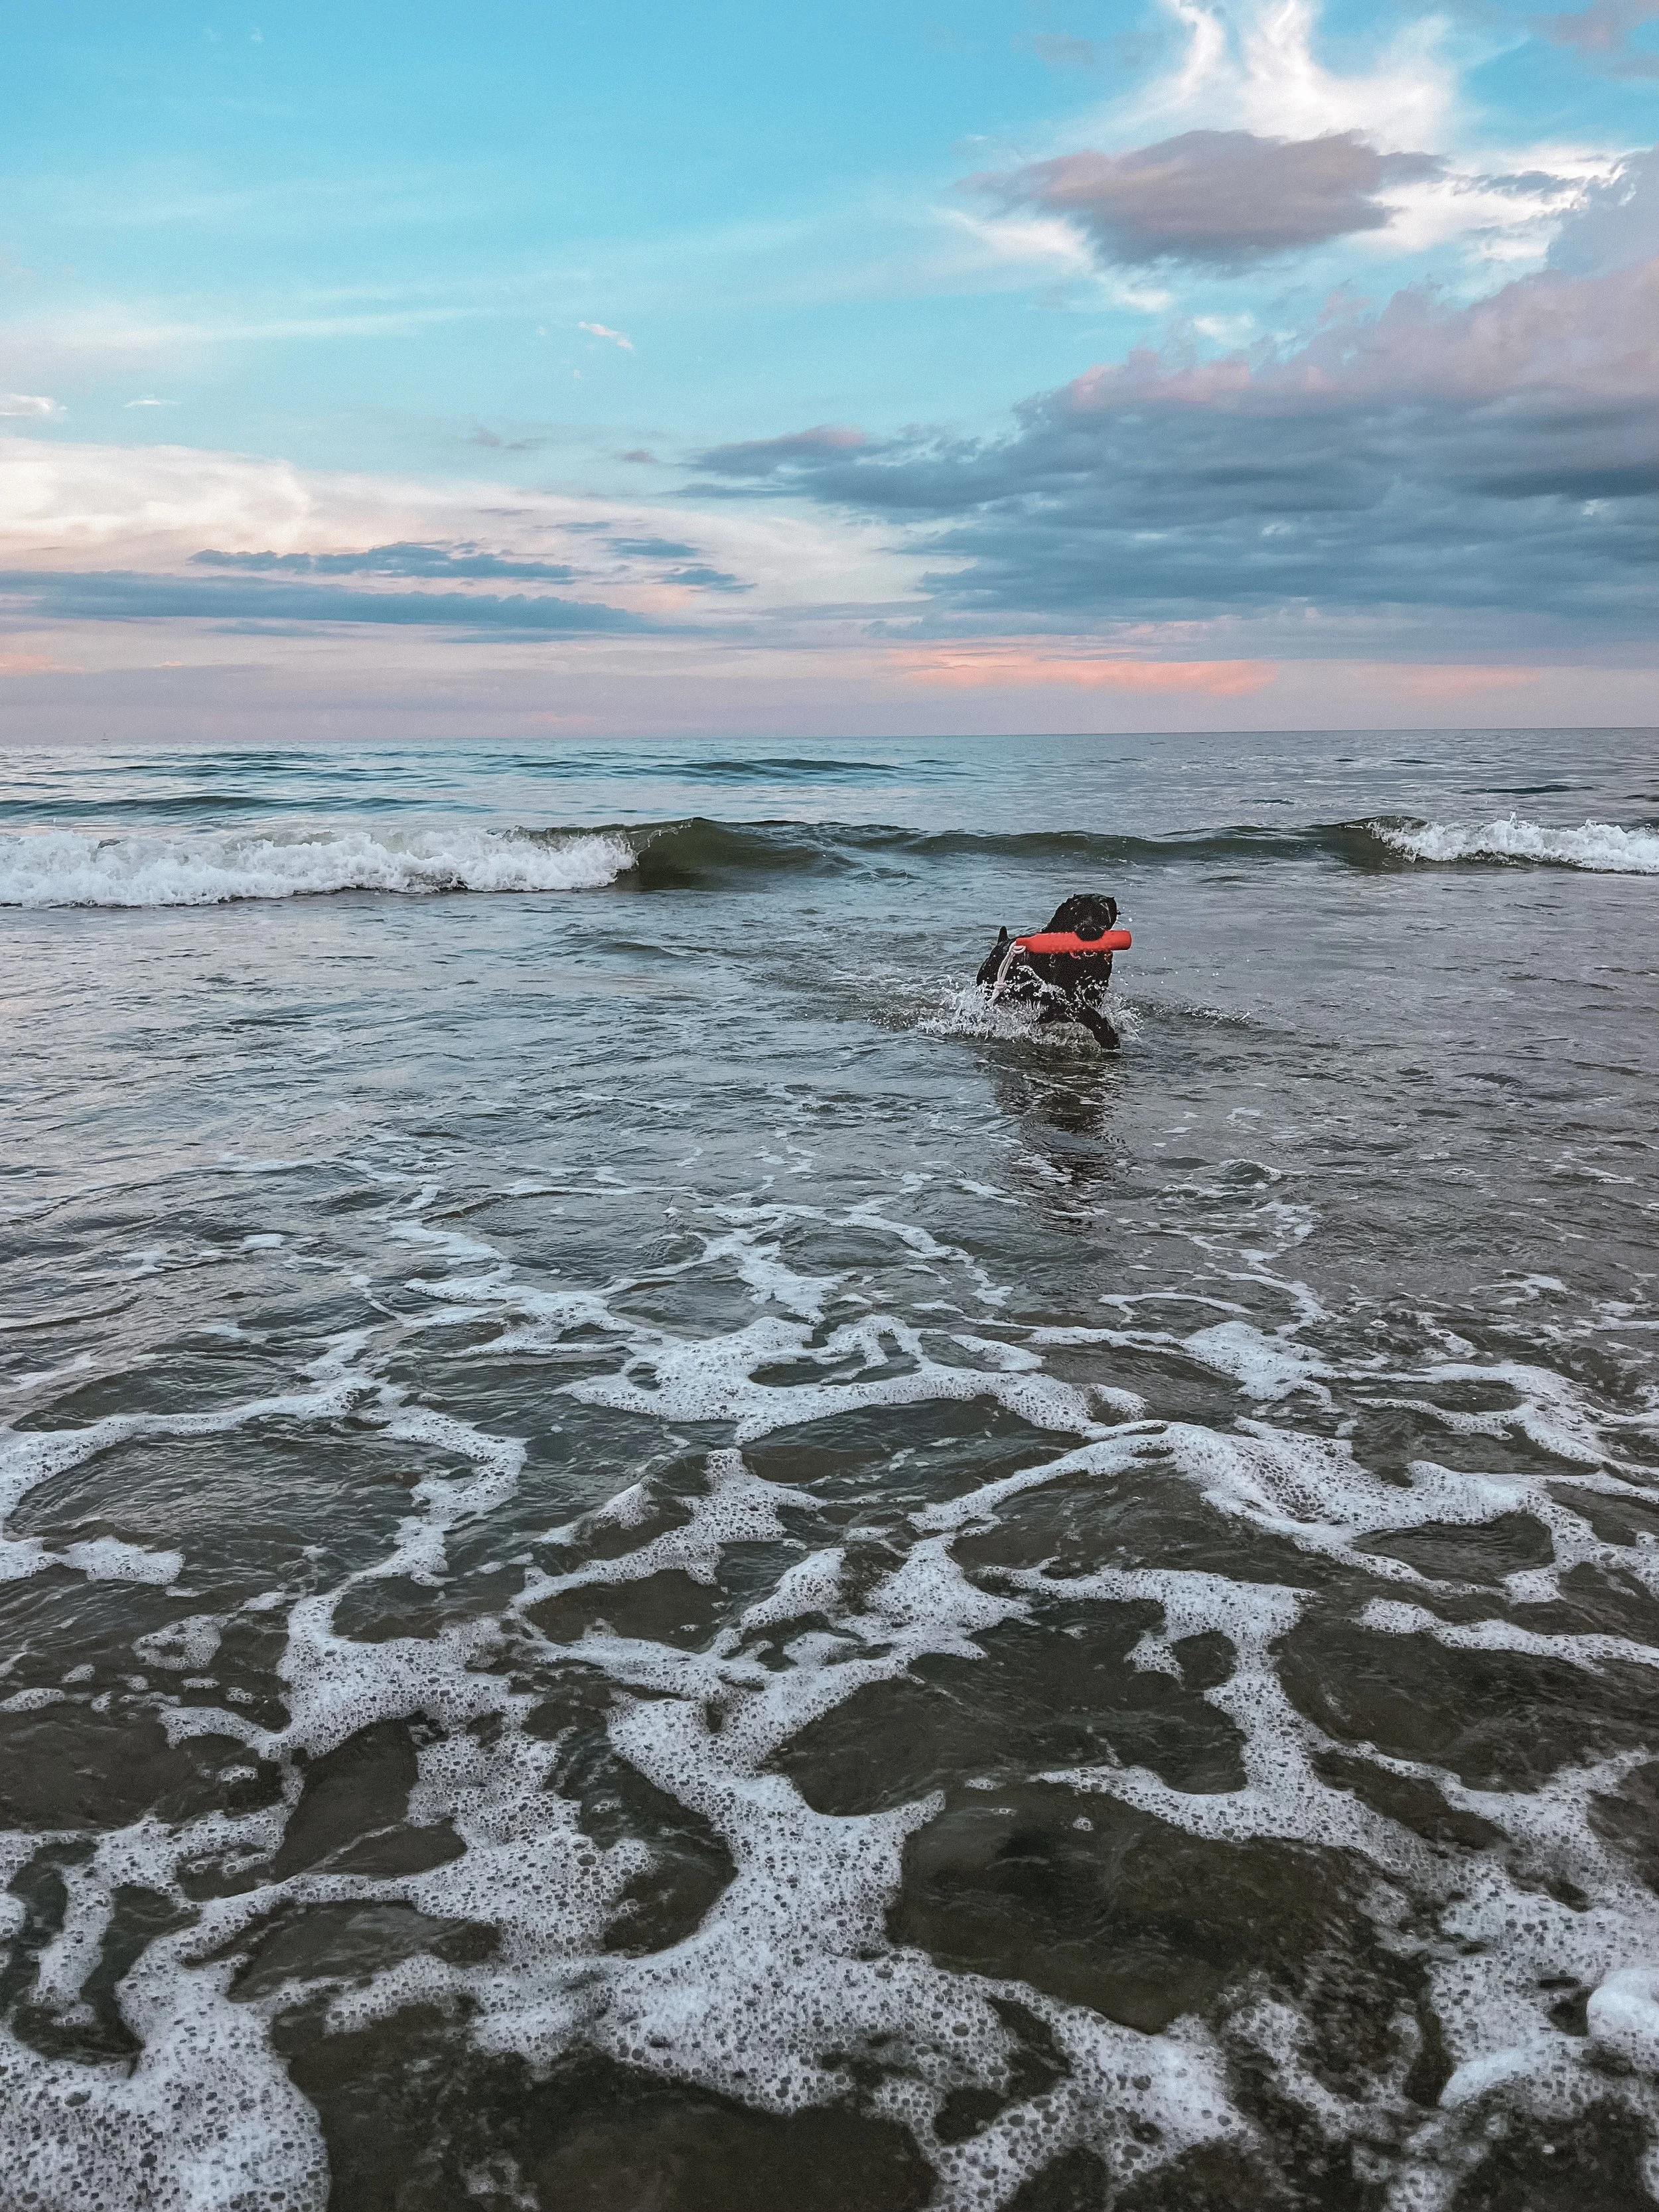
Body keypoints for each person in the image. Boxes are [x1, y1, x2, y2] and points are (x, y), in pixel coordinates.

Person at [976, 892, 1121, 1050]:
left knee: (1082, 1001)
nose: (1092, 928)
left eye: (1100, 919)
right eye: (1081, 917)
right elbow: (1066, 1000)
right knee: (986, 1011)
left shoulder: (1101, 959)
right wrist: (1097, 1024)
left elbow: (1091, 1002)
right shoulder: (1050, 953)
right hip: (1000, 965)